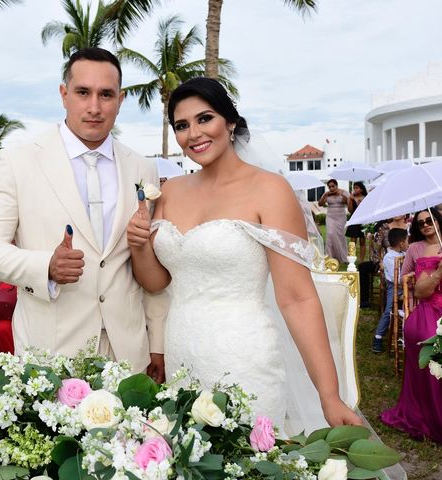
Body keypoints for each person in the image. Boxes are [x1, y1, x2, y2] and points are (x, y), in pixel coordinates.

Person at [126, 77, 360, 432]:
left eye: (205, 119)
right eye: (181, 125)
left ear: (230, 122)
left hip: (244, 358)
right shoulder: (170, 192)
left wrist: (328, 394)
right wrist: (140, 244)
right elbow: (157, 282)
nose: (193, 134)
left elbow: (297, 298)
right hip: (182, 355)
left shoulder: (269, 189)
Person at [0, 47, 170, 378]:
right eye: (83, 92)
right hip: (51, 357)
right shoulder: (18, 162)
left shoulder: (142, 167)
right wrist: (45, 265)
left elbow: (149, 260)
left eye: (106, 95)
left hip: (128, 354)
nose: (94, 107)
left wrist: (157, 341)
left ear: (120, 100)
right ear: (64, 94)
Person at [381, 203, 442, 451]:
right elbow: (421, 292)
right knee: (437, 341)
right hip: (432, 314)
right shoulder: (435, 250)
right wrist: (438, 272)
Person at [371, 228, 408, 353]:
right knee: (389, 310)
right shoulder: (389, 257)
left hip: (407, 286)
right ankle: (378, 337)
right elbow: (395, 278)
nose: (409, 243)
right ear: (401, 243)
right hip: (396, 287)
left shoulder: (404, 254)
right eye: (407, 241)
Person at [402, 208, 442, 276]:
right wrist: (416, 275)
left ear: (438, 221)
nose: (425, 225)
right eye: (421, 223)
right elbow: (403, 276)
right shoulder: (414, 248)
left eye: (429, 220)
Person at [318, 179, 348, 263]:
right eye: (329, 187)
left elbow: (348, 202)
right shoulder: (327, 194)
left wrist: (340, 194)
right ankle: (329, 256)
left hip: (341, 215)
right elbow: (320, 204)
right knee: (330, 234)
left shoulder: (343, 192)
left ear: (336, 185)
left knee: (340, 235)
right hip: (330, 215)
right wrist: (325, 195)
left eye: (333, 186)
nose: (331, 188)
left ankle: (342, 256)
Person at [345, 181, 368, 261]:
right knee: (353, 241)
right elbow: (350, 210)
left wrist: (361, 203)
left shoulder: (366, 197)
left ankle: (361, 260)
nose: (355, 189)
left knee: (362, 241)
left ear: (361, 189)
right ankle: (351, 259)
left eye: (357, 188)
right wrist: (351, 200)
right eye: (354, 188)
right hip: (354, 219)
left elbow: (368, 209)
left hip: (363, 220)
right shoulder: (351, 197)